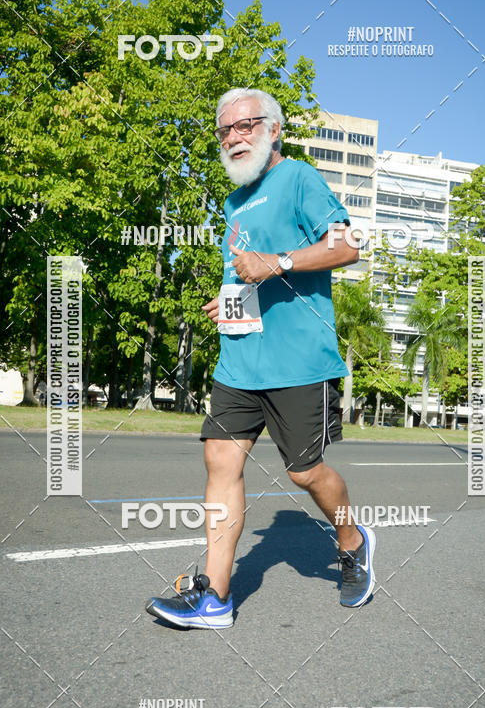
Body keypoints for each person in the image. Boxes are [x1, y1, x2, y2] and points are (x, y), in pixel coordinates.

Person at [146, 88, 375, 629]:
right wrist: (228, 300)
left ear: (272, 128)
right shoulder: (231, 202)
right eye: (224, 130)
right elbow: (245, 272)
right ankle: (216, 598)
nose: (233, 136)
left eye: (244, 125)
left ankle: (352, 538)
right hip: (239, 360)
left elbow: (349, 245)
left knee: (304, 473)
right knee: (220, 462)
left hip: (297, 362)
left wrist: (278, 261)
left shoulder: (297, 178)